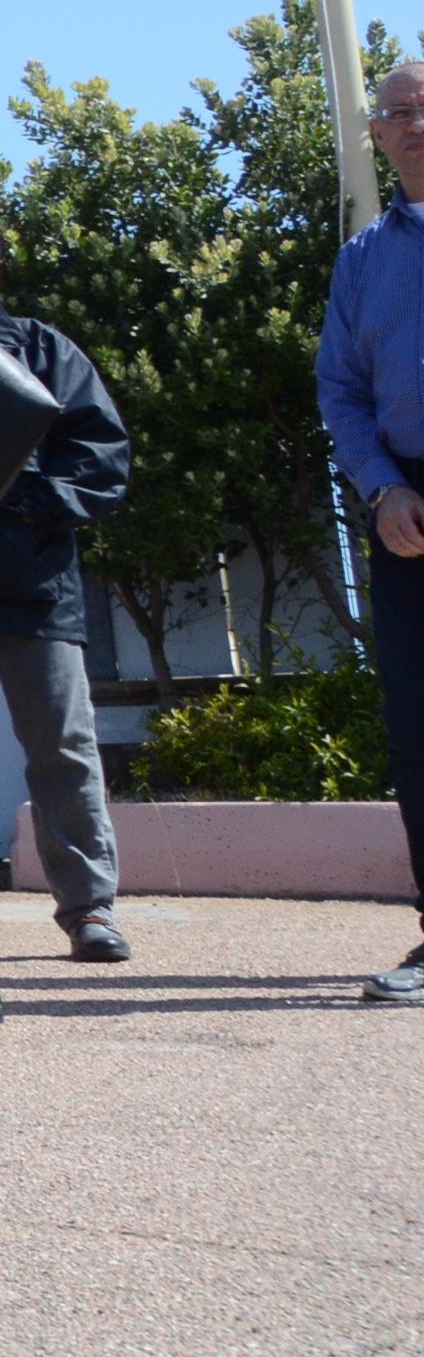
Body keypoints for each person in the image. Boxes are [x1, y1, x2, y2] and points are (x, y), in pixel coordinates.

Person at [0, 204, 135, 967]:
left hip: (36, 587)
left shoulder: (46, 350)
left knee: (64, 751)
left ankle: (90, 910)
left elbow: (102, 461)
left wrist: (23, 506)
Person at [314, 58, 424, 1009]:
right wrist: (383, 489)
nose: (414, 123)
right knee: (421, 728)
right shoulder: (362, 259)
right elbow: (341, 392)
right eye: (397, 113)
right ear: (377, 136)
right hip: (409, 508)